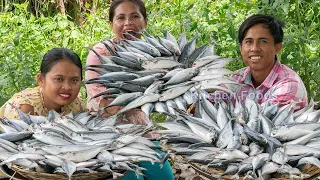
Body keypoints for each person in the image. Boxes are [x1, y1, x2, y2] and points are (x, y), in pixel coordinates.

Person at [85, 0, 174, 179]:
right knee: (133, 177)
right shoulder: (101, 53)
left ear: (145, 21)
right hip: (110, 136)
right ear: (112, 24)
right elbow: (105, 103)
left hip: (143, 132)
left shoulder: (154, 53)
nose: (128, 23)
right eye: (121, 18)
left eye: (135, 16)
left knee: (165, 177)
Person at [215, 14, 307, 111]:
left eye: (263, 41)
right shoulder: (236, 78)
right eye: (249, 42)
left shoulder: (289, 86)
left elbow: (261, 123)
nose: (254, 48)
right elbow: (211, 102)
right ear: (241, 48)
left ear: (277, 47)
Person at [0, 48, 86, 119]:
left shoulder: (76, 104)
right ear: (41, 80)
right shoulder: (24, 108)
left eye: (74, 80)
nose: (67, 87)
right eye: (59, 79)